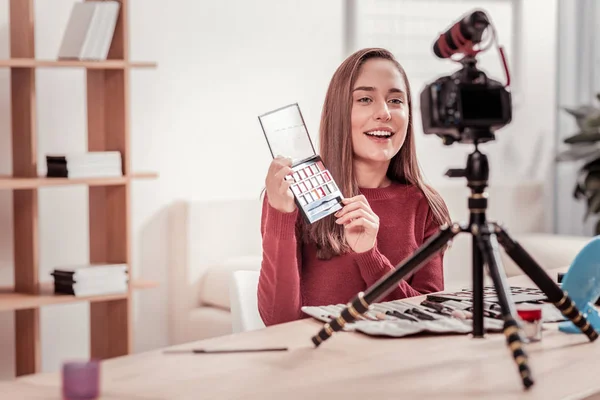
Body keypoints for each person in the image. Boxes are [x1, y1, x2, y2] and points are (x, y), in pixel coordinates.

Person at [258, 48, 451, 327]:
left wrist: (370, 257)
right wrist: (279, 214)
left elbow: (427, 318)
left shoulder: (426, 205)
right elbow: (278, 321)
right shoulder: (291, 197)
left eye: (396, 100)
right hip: (319, 362)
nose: (384, 113)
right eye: (365, 99)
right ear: (339, 113)